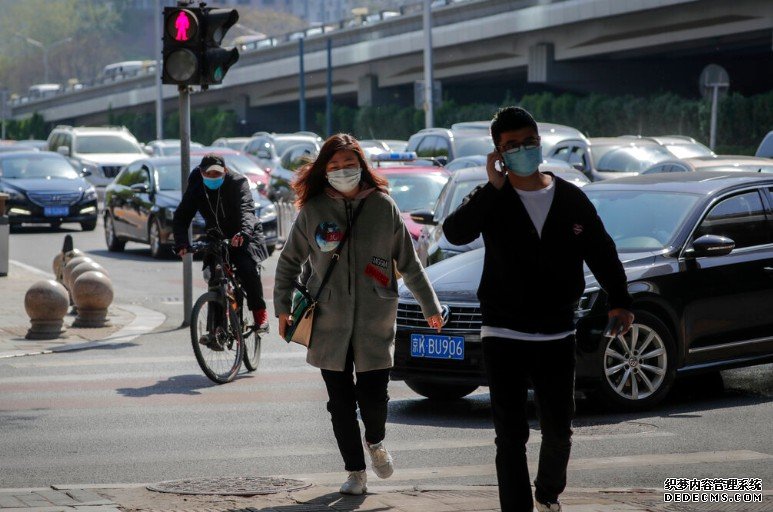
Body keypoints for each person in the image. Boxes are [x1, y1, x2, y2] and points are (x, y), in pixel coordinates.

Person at [443, 107, 634, 512]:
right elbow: (455, 232)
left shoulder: (569, 198)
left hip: (556, 333)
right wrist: (492, 187)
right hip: (503, 333)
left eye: (528, 141)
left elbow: (601, 249)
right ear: (498, 153)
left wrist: (620, 300)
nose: (523, 150)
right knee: (509, 436)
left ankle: (548, 493)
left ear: (539, 142)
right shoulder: (492, 198)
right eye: (512, 146)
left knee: (559, 430)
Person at [274, 134, 444, 495]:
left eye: (348, 164)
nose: (341, 171)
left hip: (375, 319)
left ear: (361, 166)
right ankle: (355, 472)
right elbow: (289, 261)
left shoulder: (383, 207)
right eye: (333, 166)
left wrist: (430, 307)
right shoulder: (314, 211)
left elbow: (409, 263)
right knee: (339, 404)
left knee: (373, 398)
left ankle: (376, 441)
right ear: (324, 170)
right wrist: (282, 309)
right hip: (328, 322)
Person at [173, 153, 269, 331]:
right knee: (213, 274)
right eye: (208, 174)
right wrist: (182, 243)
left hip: (244, 233)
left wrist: (244, 233)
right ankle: (216, 330)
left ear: (225, 171)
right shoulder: (197, 187)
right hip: (216, 236)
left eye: (217, 174)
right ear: (201, 172)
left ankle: (260, 314)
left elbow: (247, 210)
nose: (212, 177)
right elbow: (181, 216)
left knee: (246, 268)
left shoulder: (238, 182)